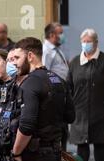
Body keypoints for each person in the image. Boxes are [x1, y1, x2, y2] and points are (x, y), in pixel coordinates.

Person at [67, 28, 104, 161]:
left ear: (96, 43)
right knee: (81, 144)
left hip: (100, 110)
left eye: (89, 41)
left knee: (100, 142)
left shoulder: (103, 60)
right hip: (80, 110)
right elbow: (69, 86)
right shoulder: (75, 62)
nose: (86, 44)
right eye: (84, 41)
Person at [43, 22, 70, 151]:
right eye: (60, 33)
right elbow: (44, 73)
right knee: (58, 126)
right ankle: (57, 154)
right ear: (52, 35)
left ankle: (62, 154)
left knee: (64, 126)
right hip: (54, 92)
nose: (63, 36)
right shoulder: (46, 51)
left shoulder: (57, 49)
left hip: (62, 90)